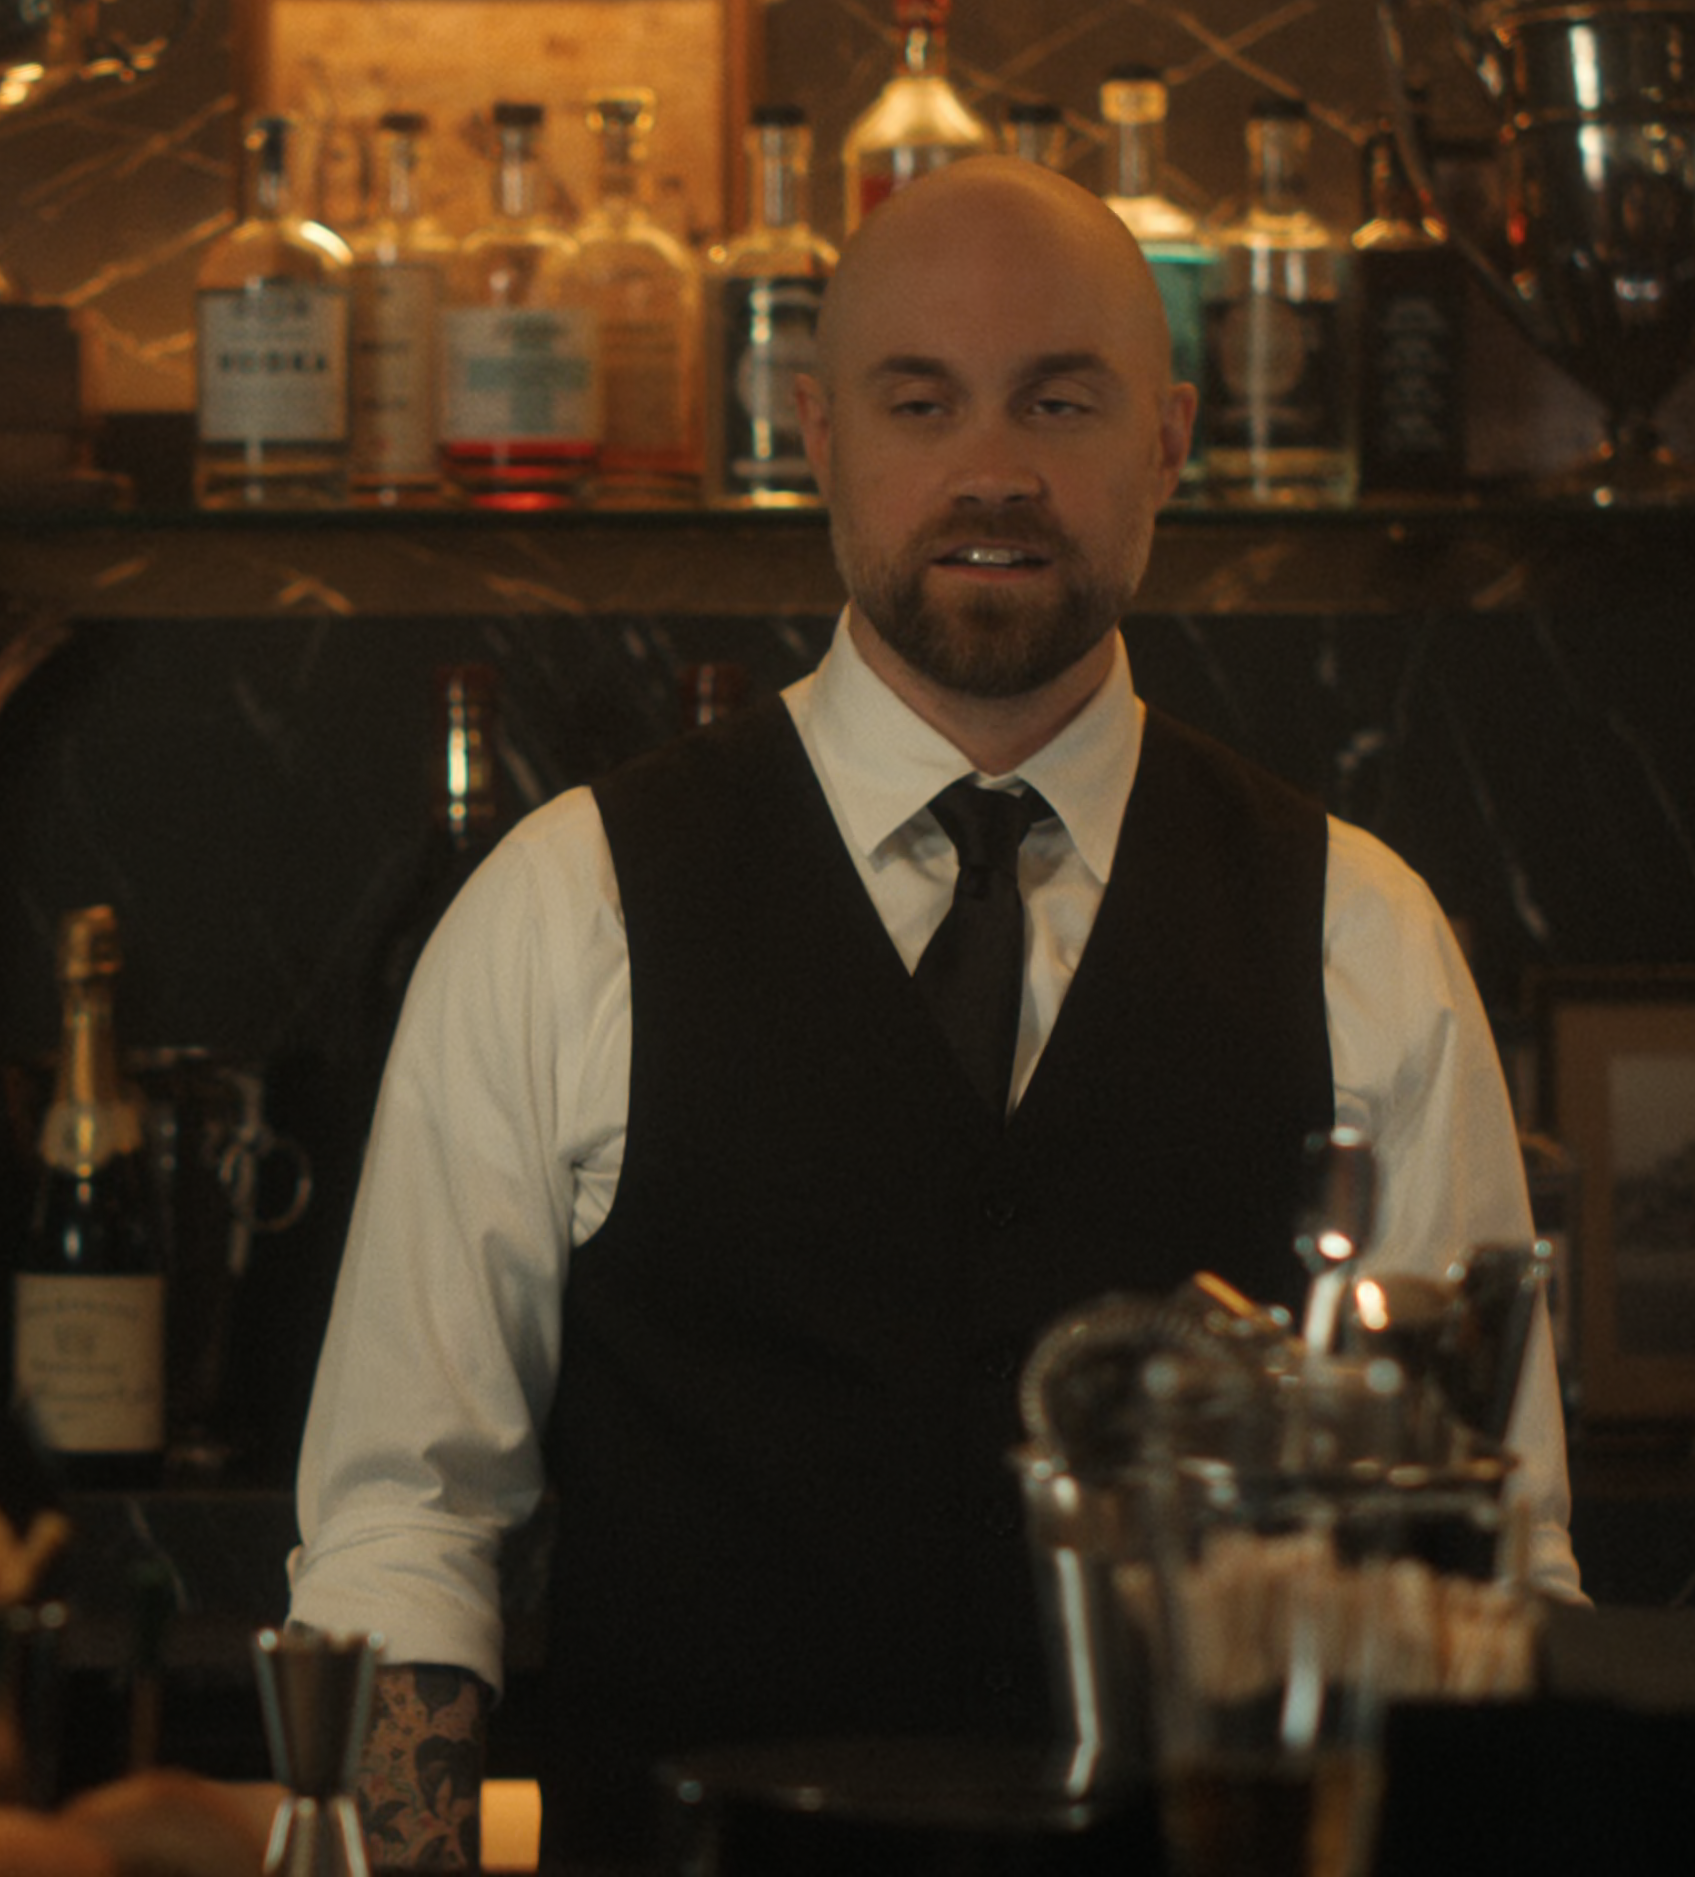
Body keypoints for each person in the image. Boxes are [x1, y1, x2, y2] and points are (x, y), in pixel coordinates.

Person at [284, 155, 1582, 1865]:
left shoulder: (1365, 932)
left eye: (1060, 399)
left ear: (1170, 441)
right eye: (922, 401)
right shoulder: (562, 907)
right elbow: (406, 1522)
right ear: (819, 437)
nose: (993, 469)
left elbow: (1496, 1567)